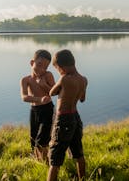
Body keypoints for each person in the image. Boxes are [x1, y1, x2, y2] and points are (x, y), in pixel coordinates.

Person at [47, 49, 88, 181]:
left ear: (61, 67)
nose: (58, 71)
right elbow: (82, 99)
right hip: (75, 117)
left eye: (56, 68)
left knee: (55, 158)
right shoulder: (83, 80)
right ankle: (82, 178)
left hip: (63, 119)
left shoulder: (64, 79)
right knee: (78, 152)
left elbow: (51, 93)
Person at [20, 49, 55, 163]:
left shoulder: (48, 75)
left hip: (47, 109)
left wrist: (44, 85)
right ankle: (38, 161)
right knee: (33, 137)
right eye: (39, 65)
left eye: (45, 67)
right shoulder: (26, 80)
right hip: (34, 110)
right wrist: (39, 99)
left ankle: (45, 162)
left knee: (43, 138)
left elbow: (55, 91)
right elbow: (24, 97)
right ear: (32, 63)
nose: (42, 69)